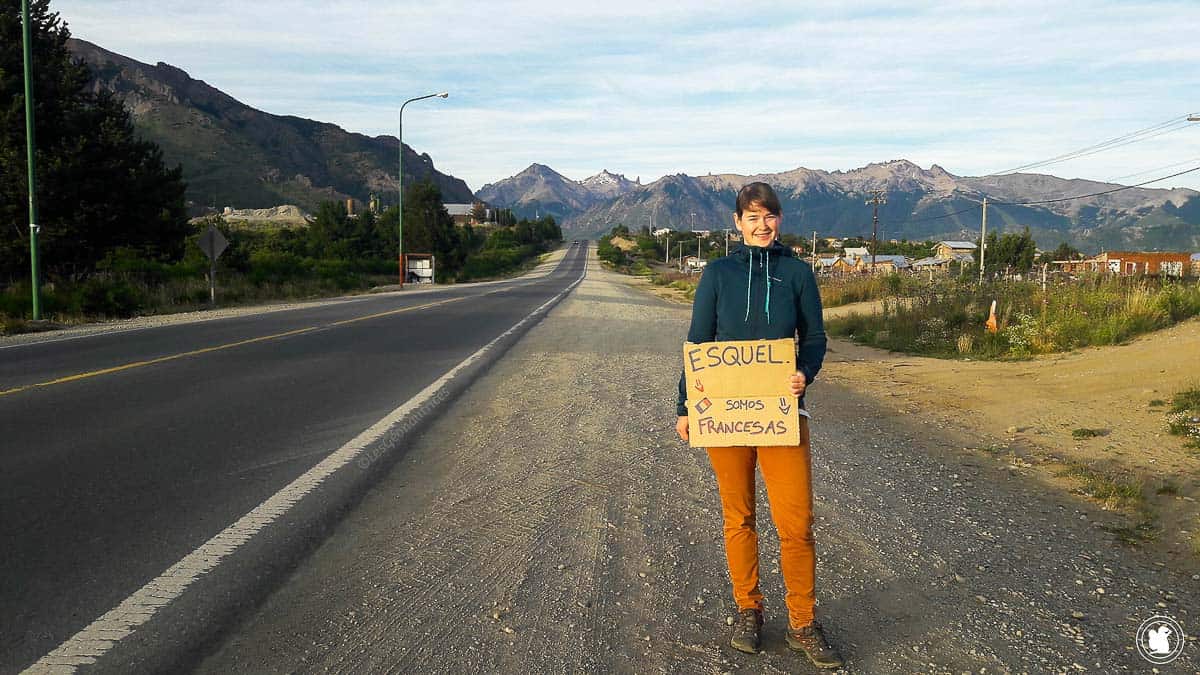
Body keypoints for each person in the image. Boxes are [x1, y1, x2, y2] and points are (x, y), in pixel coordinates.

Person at [674, 182, 842, 668]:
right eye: (751, 217)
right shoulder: (718, 273)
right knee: (738, 517)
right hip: (724, 416)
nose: (761, 224)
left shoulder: (797, 273)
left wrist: (804, 373)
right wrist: (685, 407)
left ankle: (803, 623)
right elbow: (699, 343)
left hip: (782, 415)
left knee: (796, 524)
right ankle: (749, 610)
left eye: (768, 216)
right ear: (737, 224)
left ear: (779, 219)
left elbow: (815, 338)